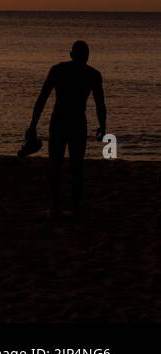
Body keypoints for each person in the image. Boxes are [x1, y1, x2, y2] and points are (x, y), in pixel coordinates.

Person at [27, 40, 106, 221]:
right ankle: (73, 208)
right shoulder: (92, 74)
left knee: (57, 166)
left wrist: (33, 125)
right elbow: (100, 105)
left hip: (61, 122)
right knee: (75, 167)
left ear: (72, 55)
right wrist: (103, 126)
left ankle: (56, 207)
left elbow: (42, 98)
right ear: (86, 56)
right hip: (76, 123)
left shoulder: (59, 70)